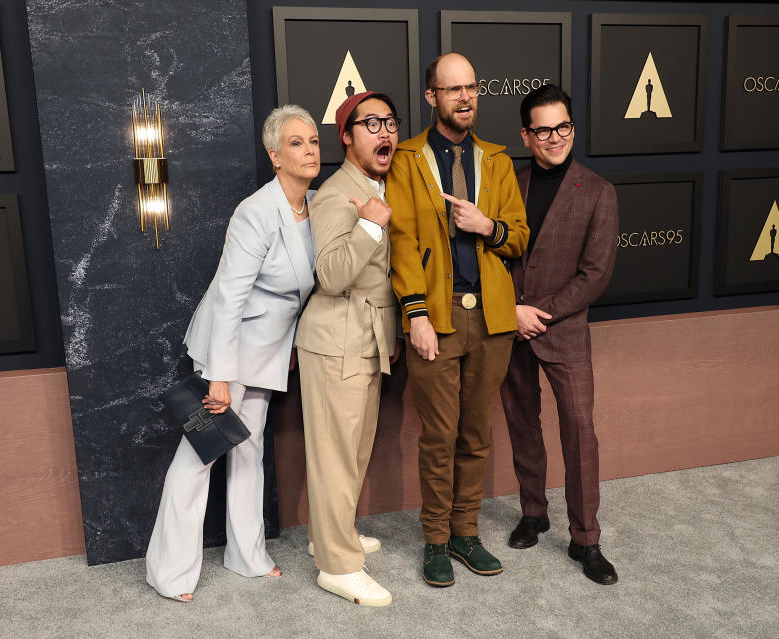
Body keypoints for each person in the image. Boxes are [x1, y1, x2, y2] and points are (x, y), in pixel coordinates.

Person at [145, 105, 320, 602]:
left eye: (312, 141)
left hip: (266, 352)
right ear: (275, 156)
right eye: (296, 143)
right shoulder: (256, 212)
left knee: (249, 450)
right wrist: (220, 376)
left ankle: (247, 555)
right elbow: (229, 297)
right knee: (200, 455)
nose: (309, 150)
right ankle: (170, 573)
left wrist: (285, 348)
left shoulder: (314, 207)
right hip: (231, 346)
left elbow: (298, 293)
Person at [386, 53, 528, 588]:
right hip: (437, 320)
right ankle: (436, 540)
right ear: (432, 98)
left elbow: (518, 236)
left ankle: (467, 532)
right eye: (453, 90)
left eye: (471, 88)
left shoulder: (495, 159)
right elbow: (401, 244)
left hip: (492, 320)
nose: (464, 98)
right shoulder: (407, 159)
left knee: (475, 434)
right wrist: (415, 315)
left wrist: (486, 225)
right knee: (439, 437)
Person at [499, 84, 619, 585]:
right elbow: (491, 254)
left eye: (563, 126)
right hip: (510, 328)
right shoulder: (511, 181)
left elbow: (595, 275)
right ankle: (534, 511)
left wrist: (535, 312)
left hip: (562, 329)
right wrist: (512, 310)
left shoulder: (597, 191)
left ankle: (585, 539)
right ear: (527, 134)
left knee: (579, 430)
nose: (555, 137)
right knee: (522, 423)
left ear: (573, 127)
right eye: (543, 129)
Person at [295, 91, 400, 607]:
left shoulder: (374, 185)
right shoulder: (339, 193)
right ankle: (337, 566)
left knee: (353, 451)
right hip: (334, 340)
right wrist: (370, 224)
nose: (384, 132)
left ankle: (331, 534)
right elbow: (332, 275)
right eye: (370, 124)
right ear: (346, 136)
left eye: (390, 123)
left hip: (365, 338)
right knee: (336, 456)